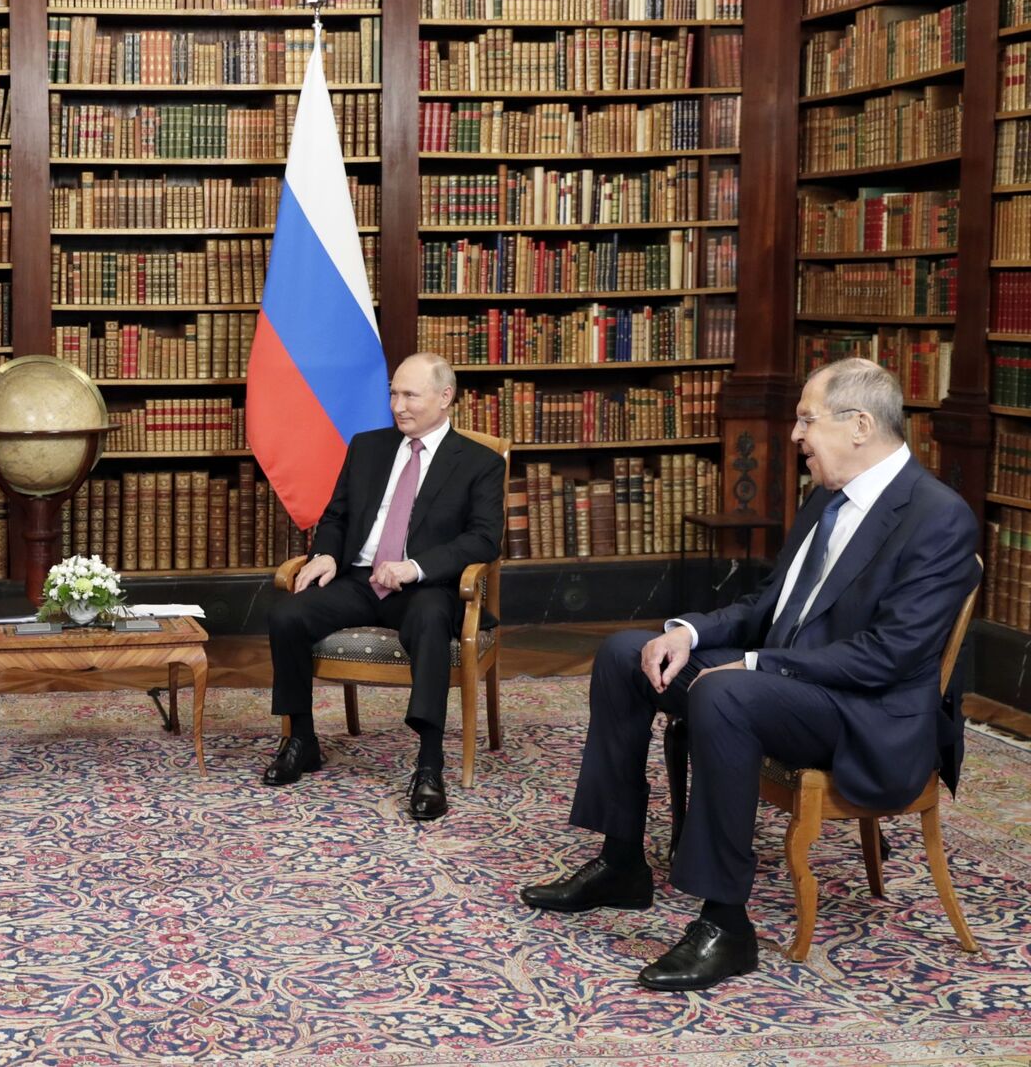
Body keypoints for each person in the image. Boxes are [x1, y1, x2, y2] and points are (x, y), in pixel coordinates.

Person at [523, 358, 981, 991]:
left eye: (805, 420)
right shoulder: (826, 499)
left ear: (859, 426)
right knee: (629, 653)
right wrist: (686, 633)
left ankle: (726, 924)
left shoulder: (938, 517)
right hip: (791, 687)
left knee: (727, 690)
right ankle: (621, 861)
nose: (794, 435)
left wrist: (758, 663)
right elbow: (769, 605)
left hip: (864, 714)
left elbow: (890, 657)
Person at [263, 351, 504, 820]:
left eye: (410, 395)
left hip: (423, 588)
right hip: (358, 580)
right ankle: (302, 739)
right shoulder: (368, 447)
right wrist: (327, 553)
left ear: (444, 397)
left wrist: (415, 567)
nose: (398, 405)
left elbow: (483, 538)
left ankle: (429, 765)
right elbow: (336, 515)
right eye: (393, 393)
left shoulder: (478, 462)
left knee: (432, 618)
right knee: (286, 614)